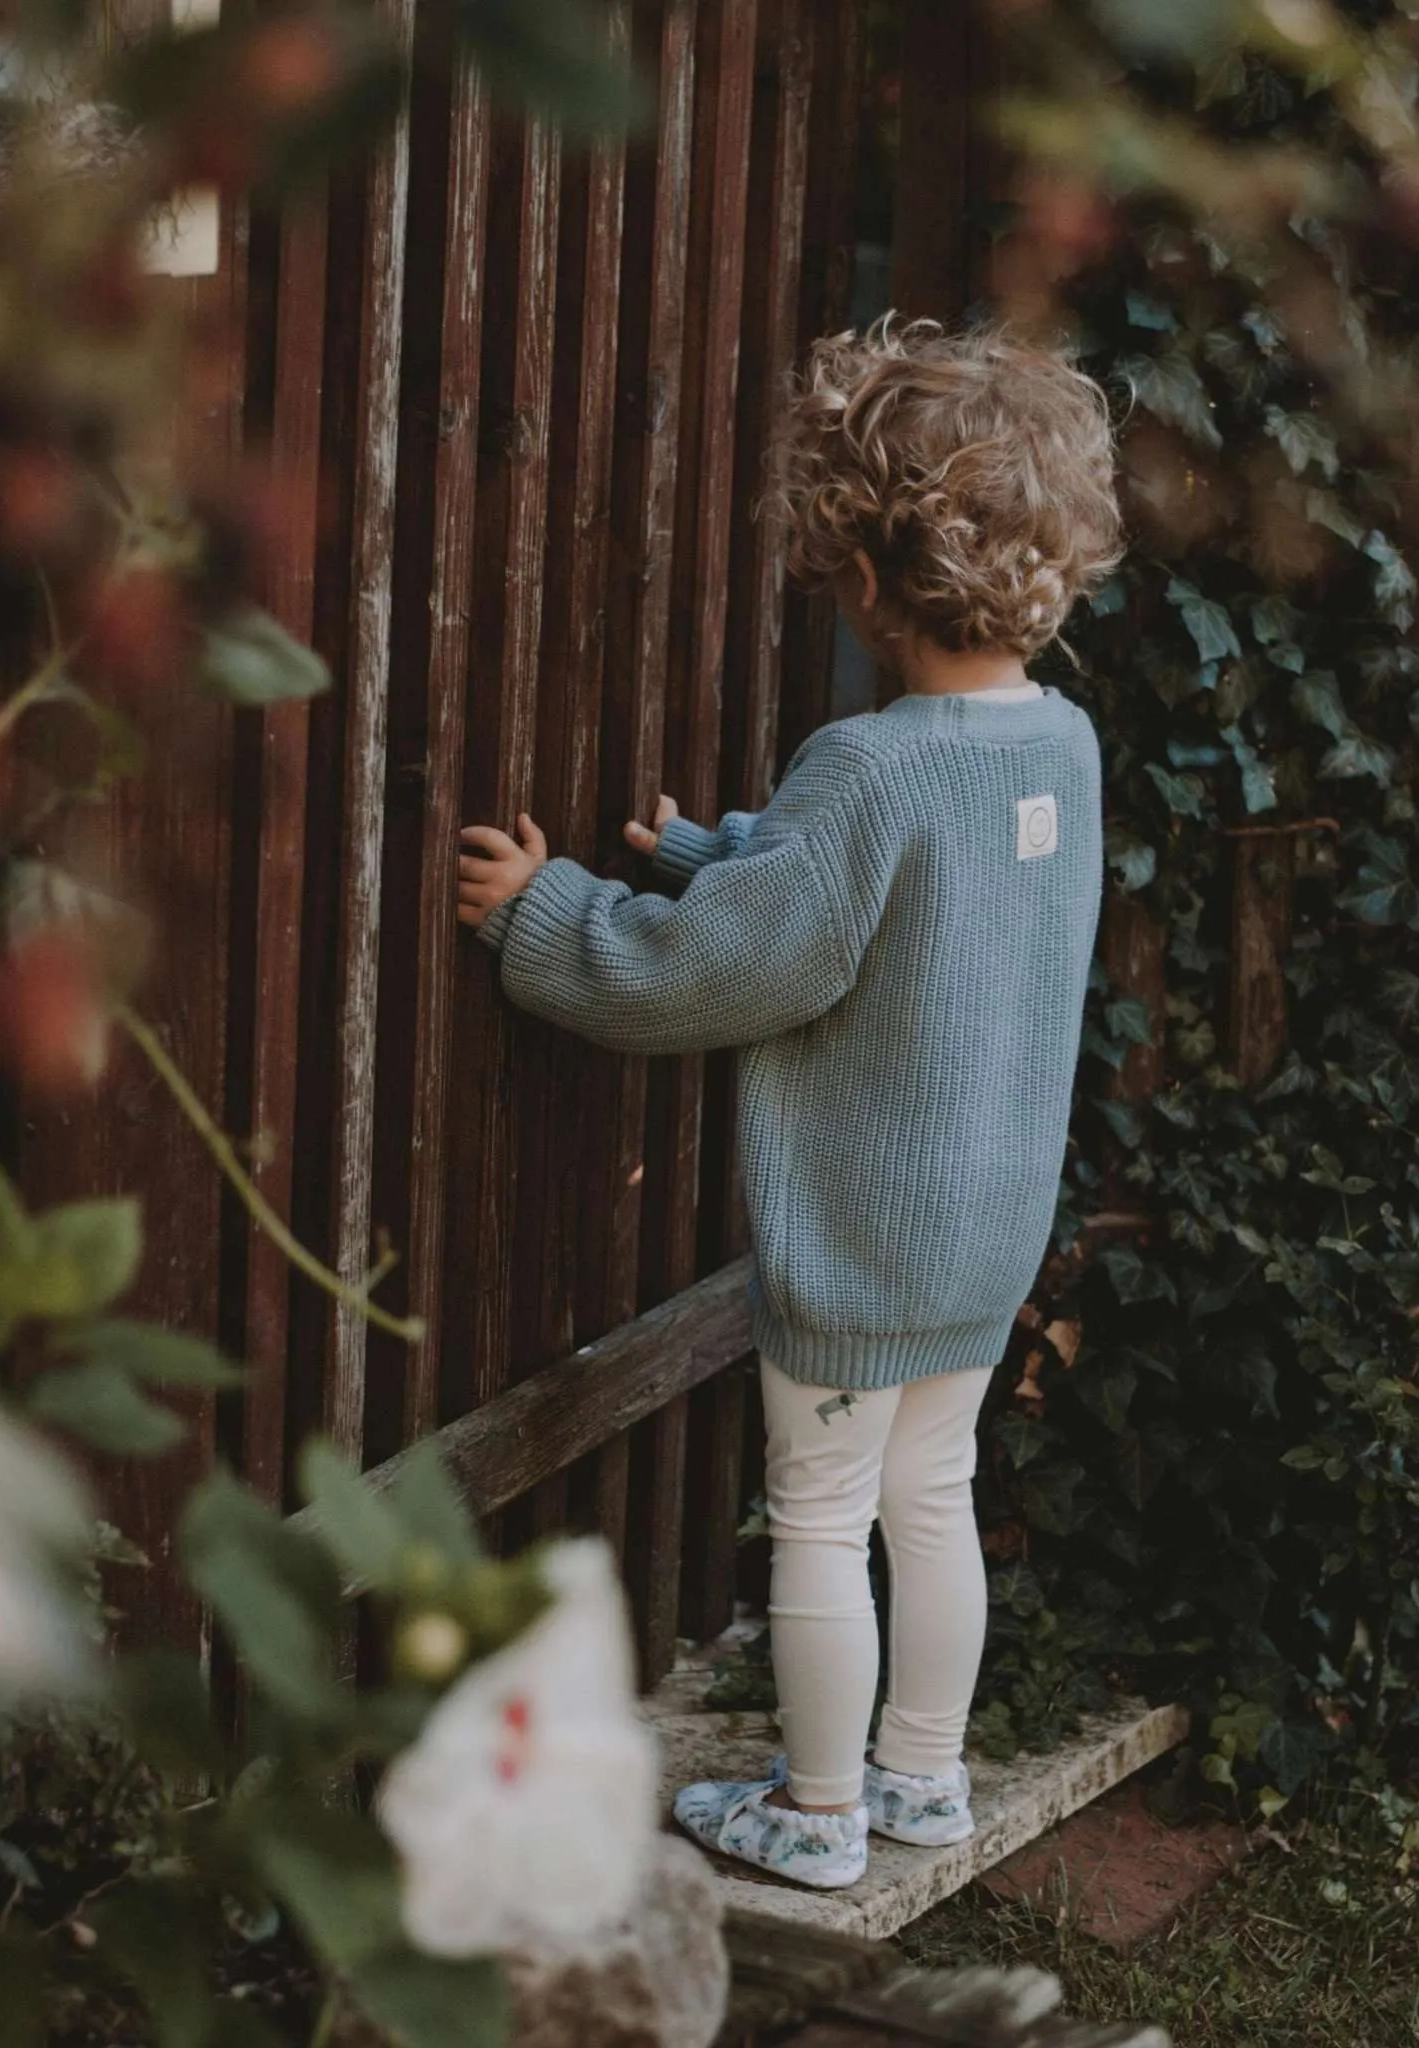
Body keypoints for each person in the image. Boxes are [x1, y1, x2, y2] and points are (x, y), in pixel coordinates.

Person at [455, 316, 1121, 1889]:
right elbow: (910, 908)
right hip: (988, 1229)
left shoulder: (868, 769)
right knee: (933, 1493)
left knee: (821, 1516)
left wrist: (548, 916)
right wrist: (721, 849)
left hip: (867, 1241)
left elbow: (732, 971)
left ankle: (817, 1813)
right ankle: (922, 1781)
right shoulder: (1066, 749)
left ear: (869, 581)